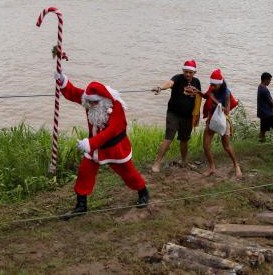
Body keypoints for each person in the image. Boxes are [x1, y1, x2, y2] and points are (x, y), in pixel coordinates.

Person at [55, 72, 148, 219]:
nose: (91, 105)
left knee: (128, 173)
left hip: (115, 148)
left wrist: (90, 143)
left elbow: (110, 132)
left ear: (104, 99)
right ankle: (81, 206)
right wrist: (62, 81)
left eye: (94, 103)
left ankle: (143, 192)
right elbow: (73, 93)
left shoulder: (116, 107)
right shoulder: (89, 100)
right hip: (95, 149)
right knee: (84, 172)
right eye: (89, 102)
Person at [151, 60, 202, 173]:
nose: (188, 74)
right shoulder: (178, 78)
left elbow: (199, 95)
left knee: (184, 140)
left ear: (195, 73)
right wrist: (160, 88)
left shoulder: (197, 82)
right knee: (169, 138)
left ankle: (184, 162)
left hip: (188, 116)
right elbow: (170, 83)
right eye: (186, 72)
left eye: (190, 72)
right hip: (173, 114)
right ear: (183, 71)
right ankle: (157, 163)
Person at [201, 69, 242, 178]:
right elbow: (206, 96)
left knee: (227, 147)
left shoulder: (226, 93)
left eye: (214, 85)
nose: (212, 87)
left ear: (220, 84)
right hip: (211, 120)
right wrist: (197, 91)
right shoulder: (212, 88)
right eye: (211, 84)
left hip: (223, 121)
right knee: (205, 146)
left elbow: (227, 110)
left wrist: (214, 100)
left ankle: (236, 165)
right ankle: (212, 168)